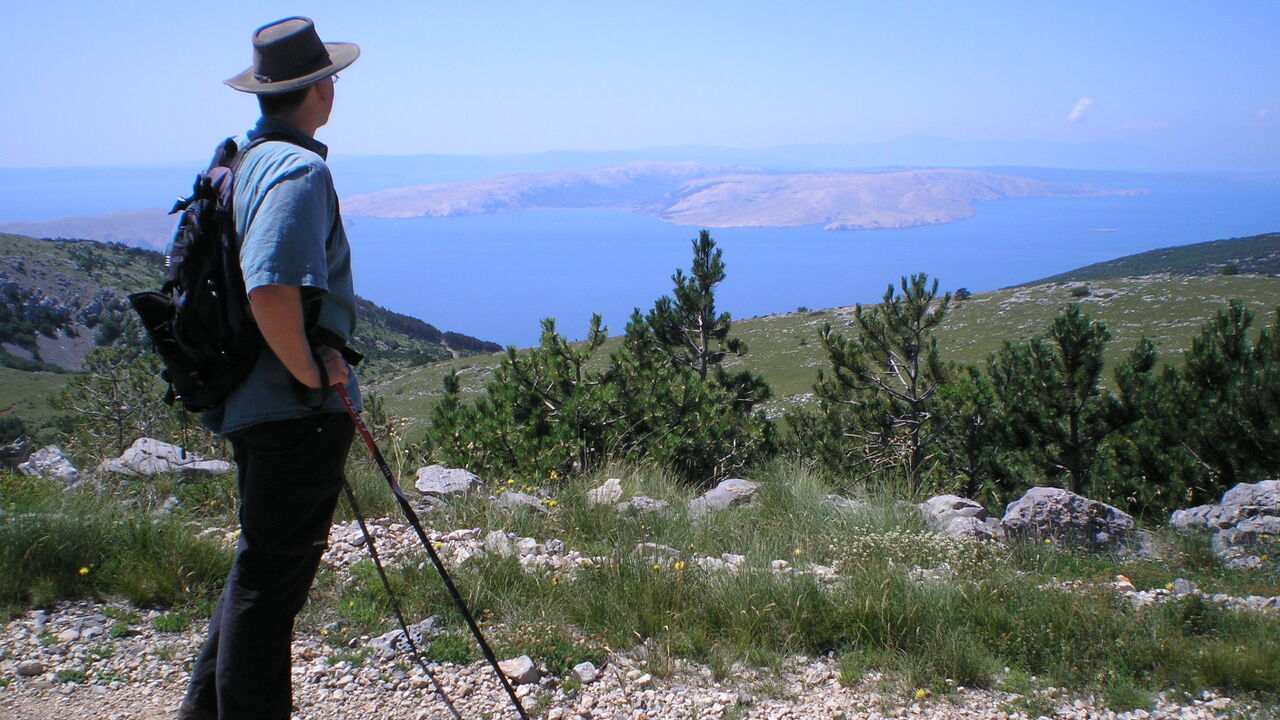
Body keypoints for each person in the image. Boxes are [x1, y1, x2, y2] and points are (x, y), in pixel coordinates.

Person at [177, 17, 361, 720]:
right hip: (291, 414)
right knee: (268, 589)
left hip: (252, 404)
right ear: (320, 89)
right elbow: (270, 287)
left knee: (257, 573)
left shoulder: (247, 158)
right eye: (331, 80)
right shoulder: (298, 168)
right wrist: (313, 375)